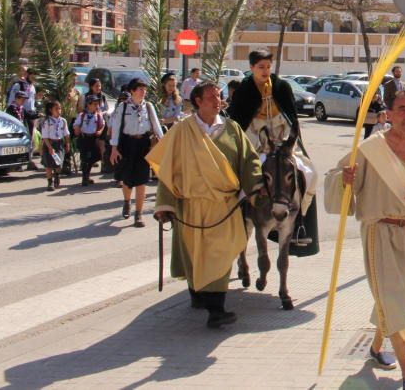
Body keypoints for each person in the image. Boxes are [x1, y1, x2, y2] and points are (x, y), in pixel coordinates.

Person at [325, 90, 405, 390]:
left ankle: (376, 347)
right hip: (379, 232)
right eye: (402, 109)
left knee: (399, 298)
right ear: (389, 114)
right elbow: (334, 176)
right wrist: (345, 180)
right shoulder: (371, 148)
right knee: (393, 300)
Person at [151, 80, 263, 329]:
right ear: (198, 101)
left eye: (219, 96)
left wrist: (255, 187)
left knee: (220, 255)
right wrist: (164, 204)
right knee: (196, 255)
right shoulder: (182, 130)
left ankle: (216, 308)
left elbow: (249, 160)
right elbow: (169, 168)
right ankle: (201, 296)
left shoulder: (232, 129)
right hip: (191, 206)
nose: (217, 101)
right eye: (211, 97)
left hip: (224, 205)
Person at [227, 49, 318, 254]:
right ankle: (238, 230)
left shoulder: (281, 87)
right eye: (261, 67)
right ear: (251, 68)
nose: (265, 71)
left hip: (283, 148)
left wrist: (287, 145)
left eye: (268, 66)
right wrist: (256, 147)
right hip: (254, 149)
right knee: (239, 185)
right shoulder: (243, 92)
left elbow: (291, 121)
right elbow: (237, 127)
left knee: (311, 173)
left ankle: (298, 222)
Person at [109, 78, 164, 227]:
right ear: (132, 91)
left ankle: (138, 214)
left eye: (144, 89)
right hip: (127, 144)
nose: (143, 92)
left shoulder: (149, 106)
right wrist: (114, 148)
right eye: (140, 89)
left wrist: (164, 144)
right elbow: (116, 126)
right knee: (127, 180)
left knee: (141, 180)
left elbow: (157, 126)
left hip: (143, 145)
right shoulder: (123, 107)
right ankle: (127, 201)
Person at [74, 95, 106, 186]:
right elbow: (76, 124)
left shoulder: (98, 115)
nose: (97, 106)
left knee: (95, 157)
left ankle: (87, 175)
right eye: (95, 104)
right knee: (85, 158)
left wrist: (100, 131)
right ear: (88, 105)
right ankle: (85, 177)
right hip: (84, 138)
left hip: (93, 138)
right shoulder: (82, 115)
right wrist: (77, 128)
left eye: (98, 104)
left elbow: (103, 124)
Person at [40, 100, 70, 191]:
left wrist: (67, 143)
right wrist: (49, 148)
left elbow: (66, 134)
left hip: (59, 144)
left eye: (60, 108)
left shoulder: (63, 121)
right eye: (56, 109)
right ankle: (50, 182)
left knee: (58, 163)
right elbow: (44, 136)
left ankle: (57, 175)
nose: (59, 110)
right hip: (49, 143)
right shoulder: (47, 121)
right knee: (48, 165)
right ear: (50, 110)